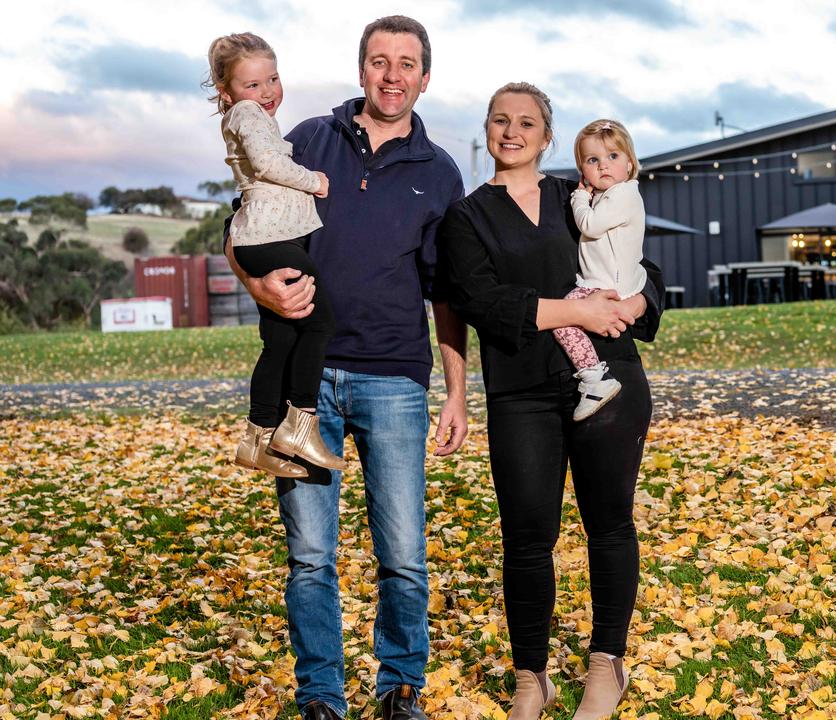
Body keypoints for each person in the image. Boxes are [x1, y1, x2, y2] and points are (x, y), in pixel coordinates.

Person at [222, 16, 467, 720]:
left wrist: (455, 391)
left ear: (425, 76)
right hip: (308, 380)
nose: (393, 76)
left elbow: (445, 292)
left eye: (407, 64)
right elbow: (241, 223)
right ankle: (321, 696)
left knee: (403, 555)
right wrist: (256, 286)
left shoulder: (439, 171)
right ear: (361, 69)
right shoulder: (305, 139)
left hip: (393, 379)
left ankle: (399, 690)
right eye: (380, 62)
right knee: (309, 556)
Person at [438, 83, 663, 720]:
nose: (513, 132)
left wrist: (634, 304)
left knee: (609, 524)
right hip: (521, 393)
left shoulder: (582, 193)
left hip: (610, 379)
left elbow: (647, 270)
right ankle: (531, 679)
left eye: (527, 122)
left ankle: (605, 663)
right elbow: (480, 302)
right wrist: (574, 310)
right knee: (527, 538)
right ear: (487, 129)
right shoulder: (467, 216)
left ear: (547, 135)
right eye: (501, 121)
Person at [206, 32, 344, 478]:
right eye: (252, 85)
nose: (266, 93)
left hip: (262, 235)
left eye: (273, 79)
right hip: (268, 236)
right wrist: (315, 180)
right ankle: (300, 424)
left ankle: (258, 437)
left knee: (282, 338)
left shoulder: (249, 114)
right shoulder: (247, 114)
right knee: (319, 321)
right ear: (227, 93)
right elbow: (267, 165)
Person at [554, 119, 648, 422]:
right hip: (613, 279)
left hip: (605, 285)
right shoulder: (610, 196)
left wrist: (579, 197)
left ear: (630, 163)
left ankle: (594, 380)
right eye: (593, 160)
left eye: (613, 156)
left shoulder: (623, 194)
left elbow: (590, 225)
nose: (603, 166)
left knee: (564, 318)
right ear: (583, 168)